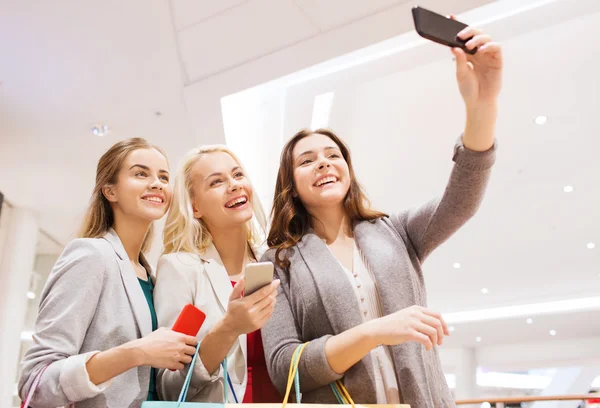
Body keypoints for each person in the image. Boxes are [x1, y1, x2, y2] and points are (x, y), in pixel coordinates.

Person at [261, 23, 502, 407]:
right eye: (307, 161)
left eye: (333, 155)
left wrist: (482, 104)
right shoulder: (277, 262)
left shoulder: (395, 231)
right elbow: (284, 367)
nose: (323, 164)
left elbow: (461, 199)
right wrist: (374, 332)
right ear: (290, 183)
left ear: (348, 170)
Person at [18, 138, 198, 408]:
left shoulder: (150, 276)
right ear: (109, 191)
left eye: (163, 176)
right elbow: (35, 381)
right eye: (140, 173)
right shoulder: (90, 256)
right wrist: (136, 352)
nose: (157, 183)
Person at [154, 145, 280, 403]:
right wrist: (228, 328)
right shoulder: (180, 269)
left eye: (238, 175)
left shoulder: (276, 261)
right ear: (195, 207)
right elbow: (170, 385)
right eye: (216, 182)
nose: (234, 185)